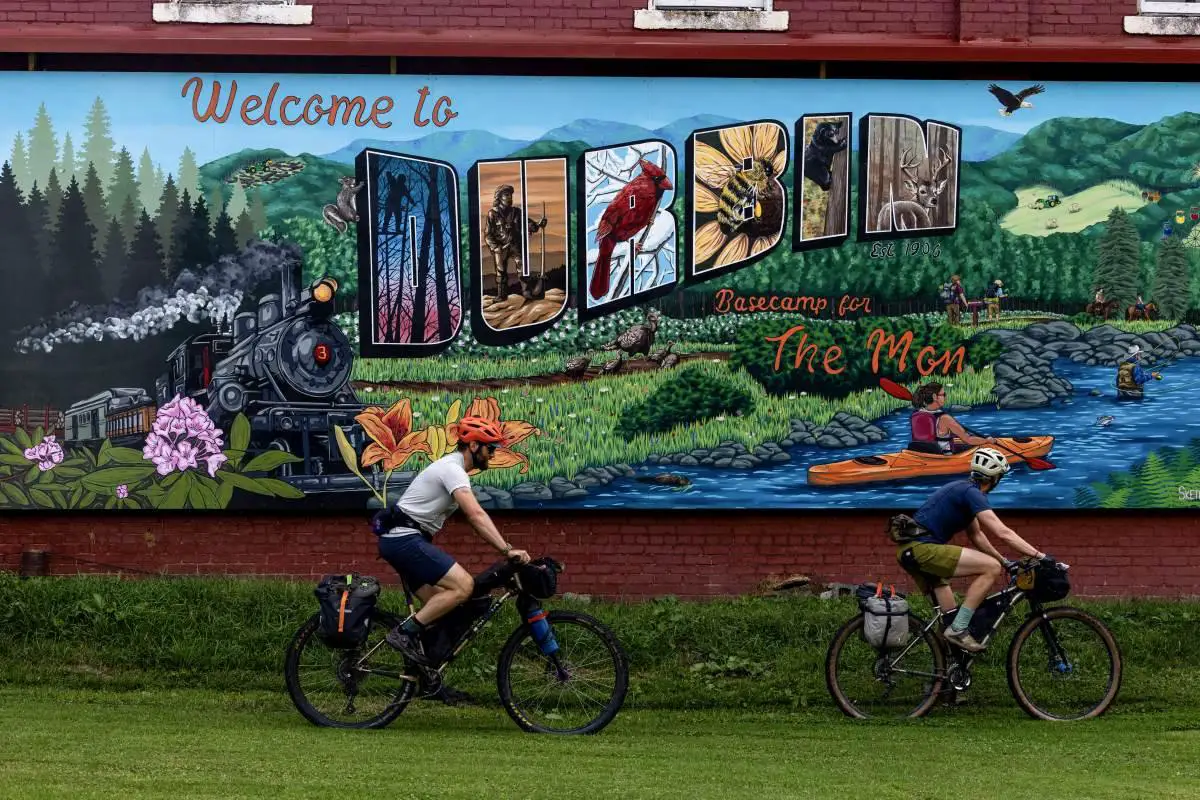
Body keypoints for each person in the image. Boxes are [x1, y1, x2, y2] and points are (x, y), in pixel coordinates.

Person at [376, 415, 531, 667]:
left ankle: (425, 676)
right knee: (463, 586)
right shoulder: (453, 470)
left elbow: (473, 519)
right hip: (404, 540)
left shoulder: (452, 469)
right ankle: (402, 634)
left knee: (442, 610)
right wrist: (506, 550)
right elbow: (476, 514)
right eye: (490, 448)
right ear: (473, 446)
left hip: (402, 540)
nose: (493, 455)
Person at [897, 448, 1052, 653]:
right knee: (990, 568)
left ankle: (945, 668)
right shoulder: (971, 493)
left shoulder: (963, 490)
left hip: (911, 551)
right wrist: (1041, 556)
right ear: (994, 478)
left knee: (949, 617)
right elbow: (1002, 532)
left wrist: (1005, 561)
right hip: (922, 549)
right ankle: (959, 630)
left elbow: (977, 535)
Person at [909, 381, 996, 455]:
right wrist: (987, 441)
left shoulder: (917, 414)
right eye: (943, 394)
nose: (945, 397)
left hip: (922, 452)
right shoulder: (945, 419)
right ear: (935, 397)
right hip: (943, 455)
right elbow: (968, 440)